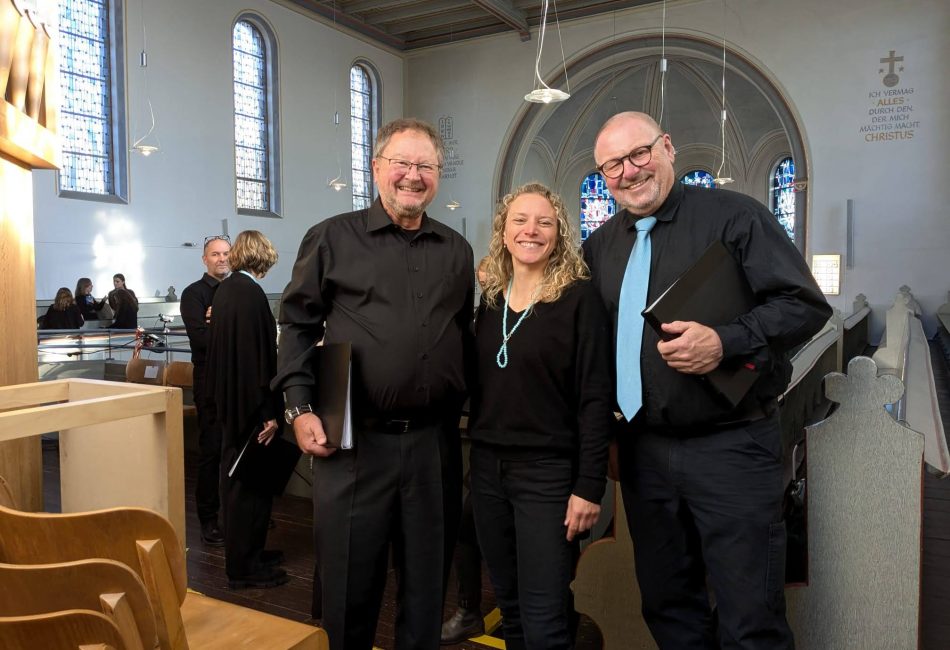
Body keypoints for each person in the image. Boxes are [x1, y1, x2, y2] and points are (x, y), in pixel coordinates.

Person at [582, 111, 832, 650]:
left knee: (750, 615)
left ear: (667, 147)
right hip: (643, 452)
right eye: (612, 166)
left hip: (731, 446)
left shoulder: (735, 217)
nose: (628, 172)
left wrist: (726, 340)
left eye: (639, 154)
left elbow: (805, 306)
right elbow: (597, 347)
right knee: (668, 606)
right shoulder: (600, 246)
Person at [273, 117, 474, 650]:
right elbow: (297, 325)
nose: (413, 175)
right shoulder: (332, 238)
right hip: (353, 444)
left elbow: (463, 333)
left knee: (428, 591)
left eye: (425, 166)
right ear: (377, 167)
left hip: (433, 446)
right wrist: (299, 408)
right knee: (348, 590)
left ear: (438, 174)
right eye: (402, 163)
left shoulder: (457, 250)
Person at [468, 183, 612, 650]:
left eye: (543, 222)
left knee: (545, 615)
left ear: (558, 234)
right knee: (509, 608)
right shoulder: (490, 300)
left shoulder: (579, 299)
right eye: (520, 221)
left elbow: (595, 398)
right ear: (503, 232)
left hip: (547, 474)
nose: (531, 230)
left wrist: (589, 485)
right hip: (487, 469)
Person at [207, 230, 287, 589]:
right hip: (250, 408)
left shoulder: (226, 290)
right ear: (263, 258)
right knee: (248, 488)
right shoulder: (250, 294)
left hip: (231, 402)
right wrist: (267, 411)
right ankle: (243, 568)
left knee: (241, 483)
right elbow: (258, 358)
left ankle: (250, 553)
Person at [441, 256, 492, 646]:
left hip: (542, 454)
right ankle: (468, 609)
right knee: (466, 527)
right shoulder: (479, 323)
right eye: (484, 282)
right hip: (488, 448)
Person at [180, 235, 232, 547]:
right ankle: (208, 519)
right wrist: (230, 328)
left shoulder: (238, 289)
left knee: (240, 447)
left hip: (238, 378)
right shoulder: (193, 294)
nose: (221, 258)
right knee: (212, 449)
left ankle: (242, 513)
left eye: (226, 253)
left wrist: (217, 324)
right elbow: (201, 340)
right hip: (209, 379)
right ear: (204, 259)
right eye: (215, 254)